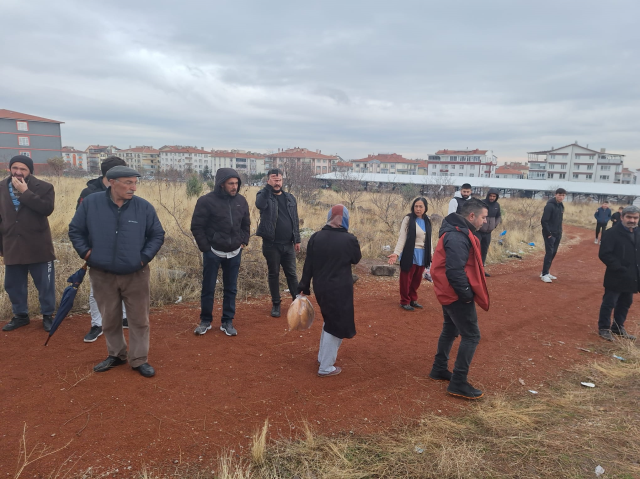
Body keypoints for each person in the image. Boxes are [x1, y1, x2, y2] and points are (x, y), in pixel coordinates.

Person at [69, 166, 165, 378]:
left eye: (135, 182)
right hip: (102, 273)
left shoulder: (144, 208)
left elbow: (157, 234)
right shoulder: (91, 204)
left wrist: (142, 258)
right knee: (109, 318)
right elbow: (75, 230)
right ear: (111, 182)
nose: (134, 188)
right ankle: (116, 354)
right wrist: (87, 255)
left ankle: (139, 359)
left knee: (139, 319)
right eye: (128, 182)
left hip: (135, 274)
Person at [429, 198, 489, 399]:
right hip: (455, 293)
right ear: (471, 216)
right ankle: (458, 382)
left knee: (450, 328)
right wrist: (466, 295)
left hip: (447, 290)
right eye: (483, 217)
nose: (484, 222)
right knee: (471, 335)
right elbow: (455, 271)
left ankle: (439, 368)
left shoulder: (456, 231)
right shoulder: (457, 236)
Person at [298, 205, 361, 377]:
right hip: (340, 290)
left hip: (321, 288)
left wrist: (303, 285)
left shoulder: (316, 237)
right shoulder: (349, 240)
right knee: (335, 325)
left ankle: (322, 358)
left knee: (330, 321)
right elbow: (356, 258)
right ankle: (326, 366)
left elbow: (308, 264)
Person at [191, 168, 250, 337]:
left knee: (231, 289)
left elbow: (246, 223)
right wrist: (206, 248)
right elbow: (197, 226)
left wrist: (243, 241)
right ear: (221, 183)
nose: (234, 186)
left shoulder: (241, 201)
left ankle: (227, 321)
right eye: (231, 183)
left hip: (234, 252)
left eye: (237, 183)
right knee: (208, 288)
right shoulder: (206, 201)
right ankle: (205, 321)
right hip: (213, 252)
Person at [0, 155, 56, 332]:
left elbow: (46, 209)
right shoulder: (1, 187)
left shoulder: (44, 187)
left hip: (38, 245)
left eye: (23, 169)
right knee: (13, 284)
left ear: (30, 170)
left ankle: (47, 315)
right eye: (15, 168)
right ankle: (20, 316)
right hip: (12, 243)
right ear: (10, 168)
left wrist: (25, 192)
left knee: (45, 284)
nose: (18, 172)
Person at [76, 156, 129, 342]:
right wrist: (87, 251)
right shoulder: (89, 193)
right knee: (96, 289)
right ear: (111, 175)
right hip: (97, 251)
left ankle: (123, 317)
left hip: (123, 250)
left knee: (123, 285)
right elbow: (78, 225)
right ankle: (97, 324)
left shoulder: (126, 191)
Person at [255, 169, 301, 318]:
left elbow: (295, 219)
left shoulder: (289, 198)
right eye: (274, 180)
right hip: (271, 244)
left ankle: (297, 303)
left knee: (292, 275)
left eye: (279, 180)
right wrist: (268, 189)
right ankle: (276, 304)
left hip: (288, 244)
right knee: (274, 274)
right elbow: (260, 205)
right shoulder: (264, 196)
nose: (277, 183)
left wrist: (297, 239)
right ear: (268, 181)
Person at [597, 205, 639, 342]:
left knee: (626, 302)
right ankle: (604, 328)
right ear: (622, 217)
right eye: (629, 217)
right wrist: (619, 267)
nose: (632, 220)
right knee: (609, 302)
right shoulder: (611, 233)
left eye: (635, 217)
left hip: (632, 276)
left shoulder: (638, 233)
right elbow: (604, 254)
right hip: (616, 275)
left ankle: (618, 327)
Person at [387, 197, 432, 311]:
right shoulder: (408, 219)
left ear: (425, 208)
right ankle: (404, 301)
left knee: (417, 279)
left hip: (422, 254)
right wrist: (396, 253)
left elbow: (429, 239)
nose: (418, 209)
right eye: (416, 206)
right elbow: (402, 237)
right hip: (410, 253)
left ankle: (413, 299)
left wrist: (431, 253)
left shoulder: (427, 220)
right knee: (406, 278)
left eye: (421, 206)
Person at [540, 188, 566, 283]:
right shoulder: (549, 206)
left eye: (563, 195)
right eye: (559, 195)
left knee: (554, 252)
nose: (561, 197)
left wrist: (560, 232)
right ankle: (544, 274)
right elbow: (544, 221)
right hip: (550, 234)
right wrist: (548, 234)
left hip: (558, 233)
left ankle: (545, 271)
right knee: (549, 252)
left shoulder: (561, 205)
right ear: (555, 195)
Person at [478, 188, 502, 277]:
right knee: (476, 251)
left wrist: (494, 225)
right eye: (490, 196)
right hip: (478, 231)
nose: (492, 198)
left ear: (496, 197)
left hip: (488, 233)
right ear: (488, 195)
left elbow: (498, 216)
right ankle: (474, 271)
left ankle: (481, 270)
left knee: (484, 251)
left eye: (494, 196)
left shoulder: (497, 205)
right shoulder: (481, 203)